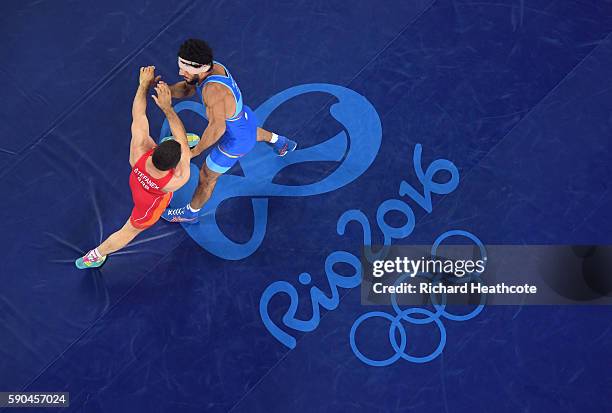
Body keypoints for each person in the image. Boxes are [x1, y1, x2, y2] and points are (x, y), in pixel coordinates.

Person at [161, 38, 297, 223]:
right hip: (242, 118)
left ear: (199, 69)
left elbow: (217, 128)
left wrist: (193, 152)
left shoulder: (213, 91)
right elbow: (187, 89)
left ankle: (190, 213)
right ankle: (281, 143)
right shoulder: (212, 67)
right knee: (250, 131)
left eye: (185, 69)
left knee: (206, 176)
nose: (180, 72)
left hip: (234, 142)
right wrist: (163, 90)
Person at [75, 67, 192, 269]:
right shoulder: (177, 179)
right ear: (175, 166)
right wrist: (167, 109)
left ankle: (170, 147)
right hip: (149, 205)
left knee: (145, 129)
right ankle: (94, 255)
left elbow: (138, 114)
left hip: (138, 177)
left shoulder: (139, 151)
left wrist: (143, 85)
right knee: (129, 230)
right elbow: (182, 142)